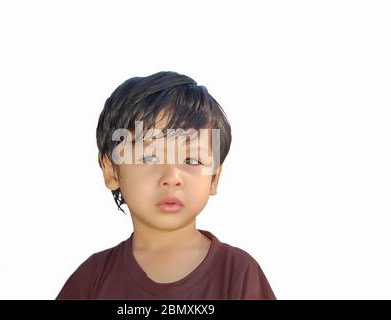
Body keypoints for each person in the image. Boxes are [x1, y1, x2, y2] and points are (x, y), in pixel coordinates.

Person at [56, 71, 276, 299]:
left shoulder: (238, 274)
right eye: (149, 158)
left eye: (191, 160)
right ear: (112, 171)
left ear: (214, 177)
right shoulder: (91, 280)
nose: (172, 176)